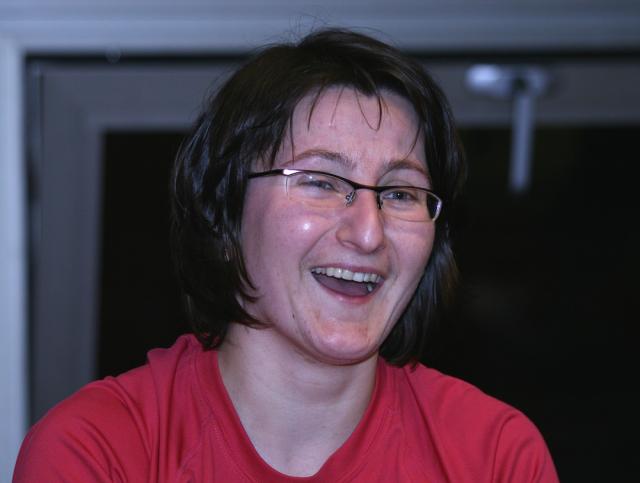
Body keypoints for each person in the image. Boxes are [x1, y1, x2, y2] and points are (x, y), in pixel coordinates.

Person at [14, 28, 559, 482]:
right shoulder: (100, 453)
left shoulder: (495, 457)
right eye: (320, 182)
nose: (369, 233)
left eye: (399, 194)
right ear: (226, 209)